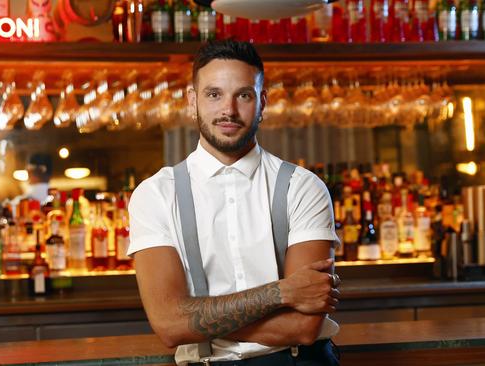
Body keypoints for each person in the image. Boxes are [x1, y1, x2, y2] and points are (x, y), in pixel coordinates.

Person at [128, 40, 341, 366]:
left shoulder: (302, 187)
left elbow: (303, 327)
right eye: (213, 94)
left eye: (243, 95)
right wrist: (281, 293)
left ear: (262, 102)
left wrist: (198, 320)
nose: (228, 109)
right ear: (192, 101)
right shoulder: (155, 194)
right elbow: (169, 325)